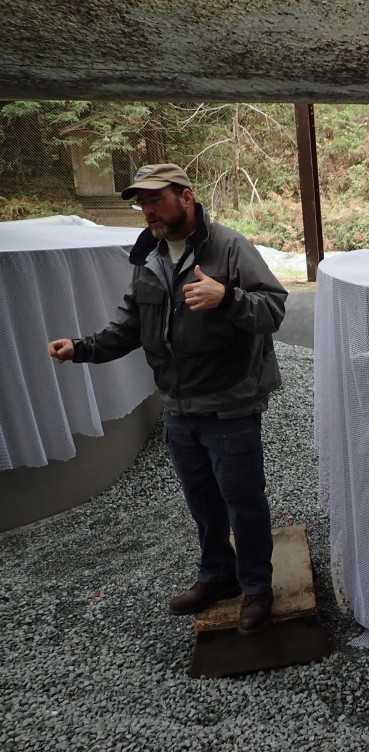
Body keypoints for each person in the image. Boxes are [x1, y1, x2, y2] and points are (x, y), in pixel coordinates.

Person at [47, 163, 287, 634]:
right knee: (202, 501)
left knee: (244, 502)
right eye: (141, 202)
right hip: (179, 408)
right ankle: (218, 576)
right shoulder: (149, 257)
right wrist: (82, 348)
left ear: (186, 196)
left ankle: (257, 588)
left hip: (230, 404)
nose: (148, 210)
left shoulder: (230, 247)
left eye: (156, 199)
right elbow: (131, 325)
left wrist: (228, 298)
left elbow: (274, 309)